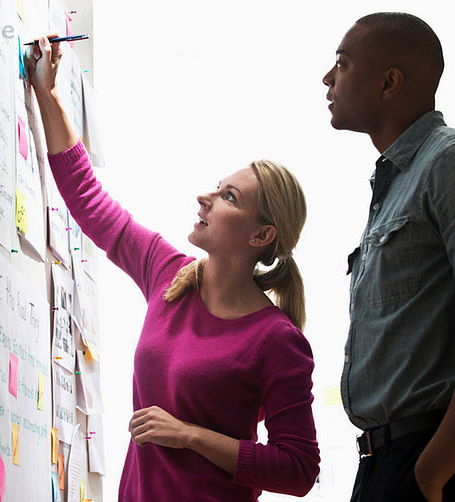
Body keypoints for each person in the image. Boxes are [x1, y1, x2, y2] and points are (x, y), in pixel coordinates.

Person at [27, 35, 319, 500]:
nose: (206, 197)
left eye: (229, 197)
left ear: (261, 235)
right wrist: (47, 93)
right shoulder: (170, 275)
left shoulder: (277, 340)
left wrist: (190, 435)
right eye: (218, 186)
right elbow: (89, 200)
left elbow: (298, 468)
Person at [323, 12, 455, 502]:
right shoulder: (395, 182)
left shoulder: (449, 162)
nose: (327, 78)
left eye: (341, 64)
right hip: (384, 461)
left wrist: (432, 473)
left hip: (429, 460)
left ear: (389, 82)